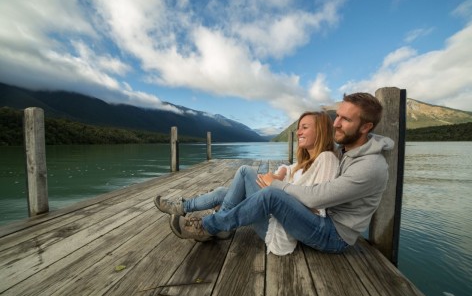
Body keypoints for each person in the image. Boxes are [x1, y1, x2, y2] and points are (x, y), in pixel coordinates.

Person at [168, 92, 394, 253]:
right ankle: (212, 220)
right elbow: (307, 163)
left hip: (333, 235)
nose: (336, 123)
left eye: (346, 119)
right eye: (337, 116)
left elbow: (316, 198)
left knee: (270, 194)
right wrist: (282, 172)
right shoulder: (345, 149)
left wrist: (274, 183)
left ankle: (208, 226)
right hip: (315, 218)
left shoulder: (370, 166)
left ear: (366, 127)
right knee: (244, 178)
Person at [155, 111, 339, 255]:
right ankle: (184, 207)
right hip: (274, 217)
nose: (298, 132)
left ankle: (212, 224)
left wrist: (277, 188)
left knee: (245, 171)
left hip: (280, 230)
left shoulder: (327, 159)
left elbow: (317, 204)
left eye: (305, 127)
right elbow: (290, 169)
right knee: (223, 192)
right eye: (298, 127)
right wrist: (281, 173)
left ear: (321, 131)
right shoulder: (306, 162)